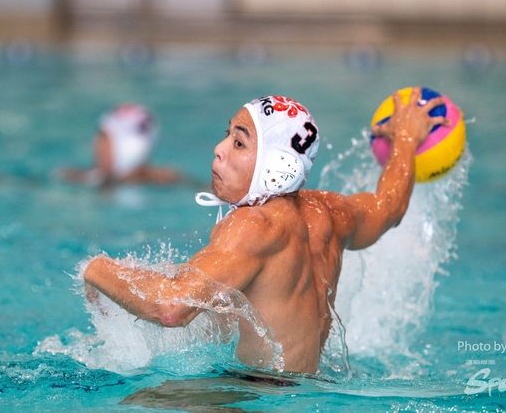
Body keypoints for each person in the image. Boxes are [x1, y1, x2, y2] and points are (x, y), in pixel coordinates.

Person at [83, 88, 449, 374]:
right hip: (307, 392)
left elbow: (170, 308)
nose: (219, 150)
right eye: (227, 135)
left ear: (277, 167)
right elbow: (390, 206)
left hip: (251, 399)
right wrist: (406, 138)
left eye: (239, 143)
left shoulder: (251, 227)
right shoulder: (328, 213)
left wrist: (96, 269)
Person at [59, 103, 182, 186]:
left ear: (128, 149)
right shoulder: (80, 177)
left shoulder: (165, 183)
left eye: (104, 139)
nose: (96, 146)